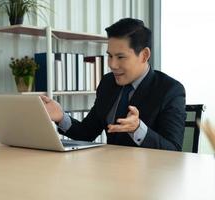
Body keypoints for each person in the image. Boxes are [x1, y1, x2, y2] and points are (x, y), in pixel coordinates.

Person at [41, 18, 186, 150]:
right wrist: (60, 117)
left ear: (144, 55)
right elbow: (86, 133)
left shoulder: (170, 90)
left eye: (120, 57)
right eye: (110, 56)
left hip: (149, 175)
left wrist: (138, 129)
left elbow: (173, 150)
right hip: (110, 170)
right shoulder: (108, 83)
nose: (112, 64)